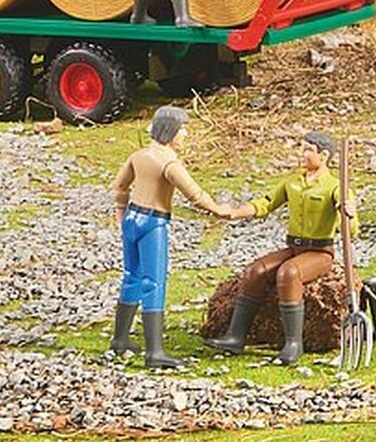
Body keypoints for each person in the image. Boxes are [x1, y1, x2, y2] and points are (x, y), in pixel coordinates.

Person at [206, 131, 356, 365]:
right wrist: (235, 212)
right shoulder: (292, 183)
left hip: (320, 252)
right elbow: (265, 204)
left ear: (324, 155)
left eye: (308, 149)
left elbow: (352, 230)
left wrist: (349, 212)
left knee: (289, 274)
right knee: (255, 271)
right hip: (294, 247)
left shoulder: (335, 187)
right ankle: (235, 336)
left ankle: (293, 343)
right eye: (302, 148)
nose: (302, 153)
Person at [111, 105, 233, 368]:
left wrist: (121, 213)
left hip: (132, 218)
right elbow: (194, 193)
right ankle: (154, 351)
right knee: (154, 282)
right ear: (171, 130)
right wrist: (218, 210)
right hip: (153, 223)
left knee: (131, 276)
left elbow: (120, 185)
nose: (185, 134)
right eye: (183, 129)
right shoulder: (168, 162)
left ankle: (120, 339)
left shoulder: (139, 155)